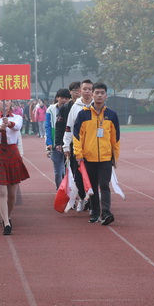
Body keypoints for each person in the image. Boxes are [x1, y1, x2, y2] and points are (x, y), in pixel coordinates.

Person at [73, 82, 120, 225]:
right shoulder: (83, 114)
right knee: (92, 187)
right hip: (88, 157)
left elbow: (115, 138)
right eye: (97, 93)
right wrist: (78, 154)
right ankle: (94, 212)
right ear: (92, 94)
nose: (99, 95)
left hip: (105, 157)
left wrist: (115, 156)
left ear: (106, 96)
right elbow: (77, 136)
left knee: (104, 185)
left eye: (102, 93)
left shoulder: (112, 115)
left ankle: (106, 212)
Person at [0, 100, 30, 235]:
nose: (5, 103)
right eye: (2, 101)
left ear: (11, 102)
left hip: (12, 152)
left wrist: (9, 123)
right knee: (1, 192)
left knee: (12, 194)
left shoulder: (17, 117)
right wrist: (0, 127)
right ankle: (6, 222)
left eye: (7, 101)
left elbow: (17, 127)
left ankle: (8, 216)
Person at [59, 79, 94, 211]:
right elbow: (69, 127)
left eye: (89, 89)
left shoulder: (97, 106)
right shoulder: (75, 107)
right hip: (77, 147)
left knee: (92, 176)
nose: (87, 92)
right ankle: (82, 197)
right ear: (80, 90)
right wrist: (66, 145)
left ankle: (92, 203)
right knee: (78, 176)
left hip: (93, 147)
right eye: (84, 89)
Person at [46, 89, 72, 189]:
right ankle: (60, 190)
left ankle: (67, 190)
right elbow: (48, 127)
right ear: (57, 98)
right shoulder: (50, 109)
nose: (64, 100)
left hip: (69, 143)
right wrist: (48, 143)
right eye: (62, 98)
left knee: (68, 169)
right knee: (58, 171)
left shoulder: (72, 108)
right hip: (55, 143)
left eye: (66, 98)